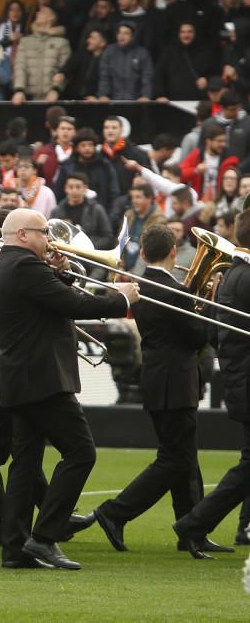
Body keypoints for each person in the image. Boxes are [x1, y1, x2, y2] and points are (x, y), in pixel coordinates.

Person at [0, 208, 138, 570]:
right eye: (43, 232)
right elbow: (73, 305)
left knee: (25, 465)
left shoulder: (9, 266)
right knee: (81, 452)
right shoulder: (25, 267)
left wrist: (61, 275)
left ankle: (15, 549)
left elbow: (51, 300)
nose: (50, 239)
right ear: (23, 235)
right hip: (42, 380)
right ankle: (44, 537)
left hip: (21, 379)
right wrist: (122, 299)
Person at [77, 224, 228, 554]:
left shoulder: (142, 286)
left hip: (158, 378)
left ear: (143, 253)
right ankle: (115, 513)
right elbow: (198, 337)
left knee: (184, 457)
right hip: (176, 380)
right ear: (174, 252)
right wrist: (209, 301)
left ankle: (192, 529)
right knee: (175, 459)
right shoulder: (176, 291)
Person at [174, 210, 250, 558]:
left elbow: (215, 336)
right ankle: (194, 524)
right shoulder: (244, 276)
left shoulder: (233, 275)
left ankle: (195, 524)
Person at [10, 6, 69, 103]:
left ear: (51, 18)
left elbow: (65, 70)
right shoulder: (25, 41)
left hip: (53, 99)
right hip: (27, 99)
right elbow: (20, 67)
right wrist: (19, 90)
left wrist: (56, 89)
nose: (37, 13)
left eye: (42, 12)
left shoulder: (62, 43)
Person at [98, 21, 153, 101]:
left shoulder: (142, 53)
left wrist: (146, 96)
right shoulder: (109, 51)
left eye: (126, 33)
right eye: (119, 33)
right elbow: (105, 77)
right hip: (113, 101)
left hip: (136, 102)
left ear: (133, 36)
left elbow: (147, 78)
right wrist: (103, 95)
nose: (121, 36)